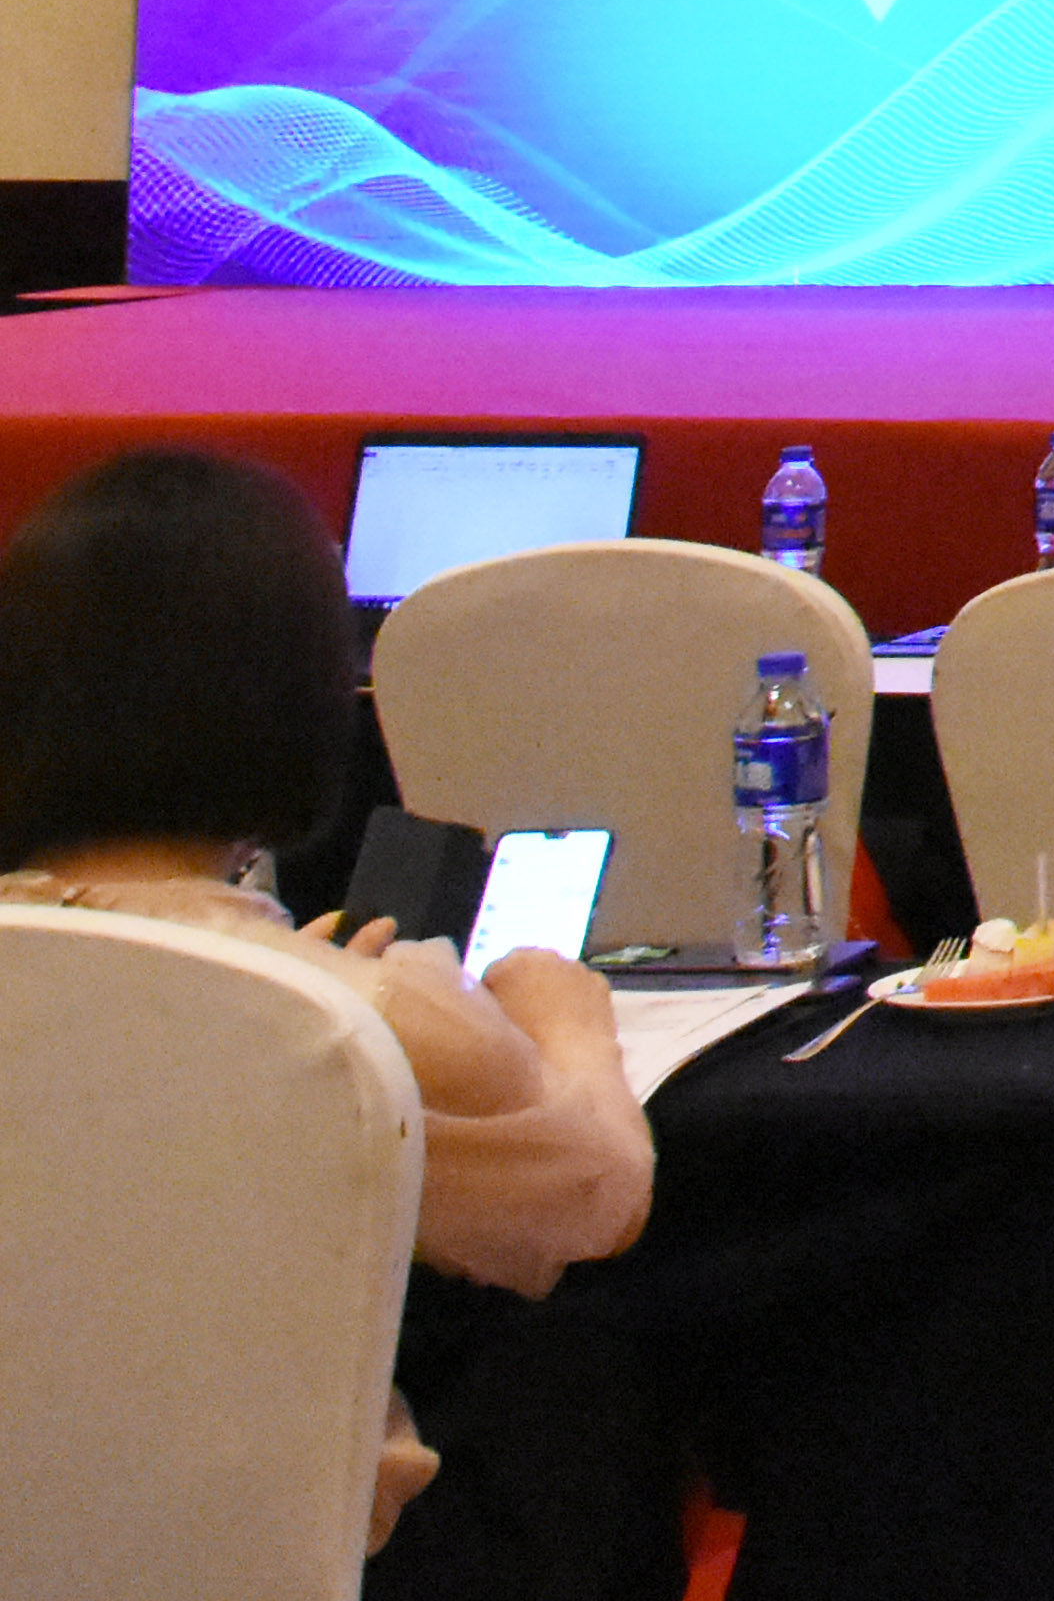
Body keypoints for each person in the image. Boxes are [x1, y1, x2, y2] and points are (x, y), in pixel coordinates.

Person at [0, 448, 656, 1575]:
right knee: (587, 1368)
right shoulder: (357, 1017)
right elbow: (592, 1198)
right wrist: (561, 1014)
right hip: (271, 1553)